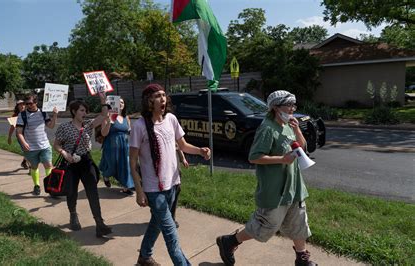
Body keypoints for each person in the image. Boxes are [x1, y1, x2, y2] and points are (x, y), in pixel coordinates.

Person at [216, 90, 317, 266]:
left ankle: (302, 258)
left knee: (298, 222)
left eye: (294, 104)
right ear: (276, 108)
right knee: (266, 226)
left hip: (294, 185)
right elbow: (254, 157)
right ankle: (230, 241)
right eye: (289, 105)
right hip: (275, 188)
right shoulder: (267, 128)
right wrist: (282, 159)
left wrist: (297, 130)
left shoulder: (288, 124)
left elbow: (302, 147)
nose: (293, 108)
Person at [129, 84, 211, 266]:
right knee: (171, 235)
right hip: (153, 189)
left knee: (156, 224)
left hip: (173, 184)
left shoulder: (171, 119)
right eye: (158, 96)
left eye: (164, 95)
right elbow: (133, 161)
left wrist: (200, 150)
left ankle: (144, 257)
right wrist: (139, 190)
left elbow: (183, 145)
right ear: (148, 101)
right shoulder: (139, 126)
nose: (163, 99)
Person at [53, 96, 112, 237]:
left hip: (86, 161)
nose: (84, 113)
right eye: (82, 110)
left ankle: (99, 223)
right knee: (71, 191)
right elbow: (56, 144)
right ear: (74, 111)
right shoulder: (64, 127)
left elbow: (104, 115)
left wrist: (103, 100)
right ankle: (73, 215)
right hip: (70, 163)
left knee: (93, 191)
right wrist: (64, 153)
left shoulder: (88, 124)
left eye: (85, 110)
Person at [16, 93, 58, 196]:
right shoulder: (22, 115)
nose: (28, 105)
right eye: (27, 104)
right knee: (34, 167)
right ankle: (37, 186)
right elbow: (19, 132)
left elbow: (51, 126)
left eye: (30, 103)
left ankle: (50, 187)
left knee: (48, 166)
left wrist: (55, 115)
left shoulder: (43, 113)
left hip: (44, 145)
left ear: (36, 102)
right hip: (31, 147)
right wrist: (24, 143)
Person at [99, 97, 134, 195]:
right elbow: (104, 133)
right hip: (111, 146)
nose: (121, 104)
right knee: (112, 166)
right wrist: (109, 123)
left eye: (123, 102)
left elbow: (129, 131)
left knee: (125, 165)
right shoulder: (108, 116)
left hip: (124, 145)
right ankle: (106, 175)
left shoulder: (126, 118)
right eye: (119, 102)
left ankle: (126, 186)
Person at [170, 144, 189, 228]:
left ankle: (172, 218)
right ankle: (158, 217)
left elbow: (179, 144)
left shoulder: (173, 131)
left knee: (176, 192)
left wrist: (183, 158)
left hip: (175, 168)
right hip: (163, 168)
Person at [8, 100, 29, 169]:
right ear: (17, 106)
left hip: (28, 134)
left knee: (30, 150)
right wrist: (9, 137)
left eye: (23, 104)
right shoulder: (15, 115)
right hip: (20, 135)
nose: (22, 106)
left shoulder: (28, 113)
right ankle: (31, 167)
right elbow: (12, 127)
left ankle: (24, 162)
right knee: (27, 150)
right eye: (20, 105)